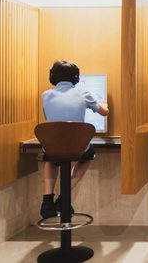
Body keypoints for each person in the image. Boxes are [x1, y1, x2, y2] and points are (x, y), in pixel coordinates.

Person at [40, 61, 109, 219]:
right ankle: (64, 197)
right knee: (88, 155)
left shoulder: (45, 95)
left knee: (50, 159)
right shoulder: (83, 93)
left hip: (53, 144)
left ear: (53, 76)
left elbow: (49, 117)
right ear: (76, 77)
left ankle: (47, 201)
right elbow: (104, 112)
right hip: (77, 146)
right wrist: (104, 104)